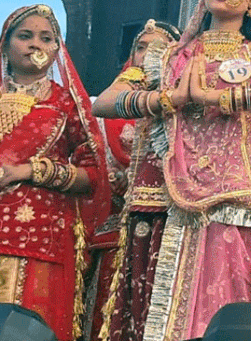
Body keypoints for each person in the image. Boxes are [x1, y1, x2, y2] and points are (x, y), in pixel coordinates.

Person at [94, 0, 251, 341]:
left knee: (221, 308)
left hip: (232, 197)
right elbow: (104, 102)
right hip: (163, 196)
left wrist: (219, 99)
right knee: (149, 310)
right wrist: (165, 101)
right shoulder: (170, 54)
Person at [0, 4, 109, 341]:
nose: (35, 45)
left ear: (57, 49)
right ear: (5, 45)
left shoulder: (67, 105)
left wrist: (27, 171)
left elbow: (93, 175)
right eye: (25, 36)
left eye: (46, 38)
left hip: (32, 239)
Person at [83, 19, 180, 341]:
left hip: (168, 231)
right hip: (112, 238)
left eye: (159, 49)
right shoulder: (102, 110)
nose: (147, 56)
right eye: (141, 48)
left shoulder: (185, 110)